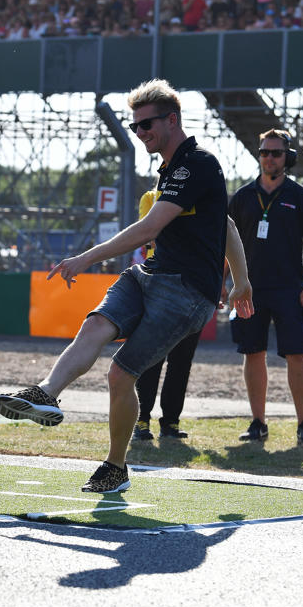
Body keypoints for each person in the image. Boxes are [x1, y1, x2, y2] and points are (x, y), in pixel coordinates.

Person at [0, 78, 254, 493]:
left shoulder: (196, 164)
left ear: (172, 120)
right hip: (149, 273)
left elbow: (150, 228)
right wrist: (241, 281)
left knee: (120, 375)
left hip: (187, 291)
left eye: (146, 125)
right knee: (95, 325)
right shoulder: (171, 168)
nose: (140, 134)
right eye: (134, 127)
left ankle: (116, 467)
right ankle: (45, 393)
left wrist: (85, 257)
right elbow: (224, 224)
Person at [228, 129, 303, 446]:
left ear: (288, 157)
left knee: (297, 353)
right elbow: (227, 245)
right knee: (252, 353)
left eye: (276, 153)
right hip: (249, 289)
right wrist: (224, 284)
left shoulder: (301, 197)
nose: (269, 158)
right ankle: (258, 422)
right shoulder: (241, 197)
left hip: (289, 289)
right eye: (264, 152)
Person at [132, 188, 204, 442]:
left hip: (194, 285)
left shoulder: (202, 199)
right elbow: (150, 236)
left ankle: (171, 421)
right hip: (158, 283)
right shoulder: (150, 198)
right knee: (152, 358)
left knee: (181, 360)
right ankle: (140, 420)